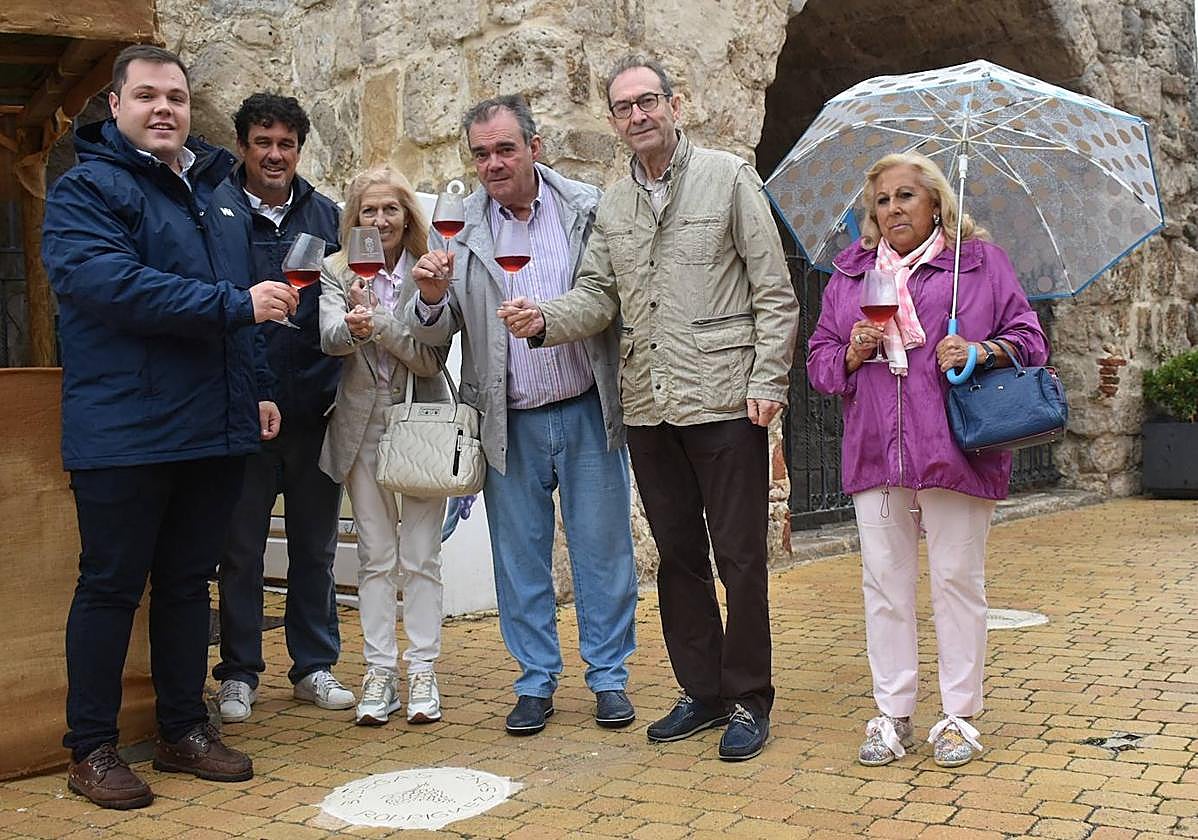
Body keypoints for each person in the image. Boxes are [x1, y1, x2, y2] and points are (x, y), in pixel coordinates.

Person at [500, 57, 798, 761]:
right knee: (678, 557)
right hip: (648, 405)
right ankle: (703, 691)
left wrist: (769, 380)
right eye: (624, 107)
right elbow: (599, 295)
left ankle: (750, 699)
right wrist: (543, 319)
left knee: (741, 558)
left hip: (726, 397)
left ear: (674, 104)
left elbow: (774, 288)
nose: (638, 116)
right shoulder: (612, 203)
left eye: (648, 101)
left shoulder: (727, 177)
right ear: (613, 122)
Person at [42, 45, 299, 810]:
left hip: (211, 425)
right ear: (114, 106)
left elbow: (238, 300)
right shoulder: (83, 191)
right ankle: (91, 749)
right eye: (147, 95)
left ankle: (185, 729)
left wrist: (253, 386)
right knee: (111, 586)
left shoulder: (215, 193)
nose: (164, 109)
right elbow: (114, 288)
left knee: (191, 585)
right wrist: (235, 308)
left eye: (177, 97)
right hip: (124, 428)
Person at [806, 151, 1049, 768]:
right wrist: (854, 351)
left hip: (955, 450)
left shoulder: (978, 264)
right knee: (884, 586)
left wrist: (980, 349)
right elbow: (819, 363)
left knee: (957, 582)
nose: (893, 209)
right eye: (882, 200)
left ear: (935, 202)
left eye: (906, 196)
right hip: (876, 451)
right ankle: (892, 714)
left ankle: (959, 715)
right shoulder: (853, 274)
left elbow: (1030, 339)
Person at [408, 94, 639, 737]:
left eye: (505, 148)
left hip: (587, 407)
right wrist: (429, 300)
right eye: (480, 153)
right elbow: (438, 330)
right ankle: (535, 680)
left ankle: (609, 679)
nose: (492, 163)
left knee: (603, 553)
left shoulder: (586, 210)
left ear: (535, 148)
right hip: (508, 419)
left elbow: (615, 298)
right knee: (518, 559)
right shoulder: (460, 228)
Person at [209, 93, 353, 724]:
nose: (275, 155)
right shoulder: (214, 213)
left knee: (314, 546)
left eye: (286, 144)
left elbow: (348, 301)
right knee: (239, 549)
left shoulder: (328, 217)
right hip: (242, 410)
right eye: (263, 142)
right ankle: (239, 673)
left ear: (300, 149)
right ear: (243, 145)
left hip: (315, 408)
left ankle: (313, 665)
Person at [318, 167, 449, 726]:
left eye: (390, 210)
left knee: (420, 555)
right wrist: (352, 325)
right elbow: (329, 341)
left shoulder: (430, 270)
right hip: (360, 429)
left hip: (419, 427)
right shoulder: (335, 270)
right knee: (375, 557)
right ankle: (379, 672)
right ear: (354, 219)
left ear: (407, 215)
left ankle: (422, 669)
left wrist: (380, 326)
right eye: (368, 212)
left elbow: (429, 358)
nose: (379, 221)